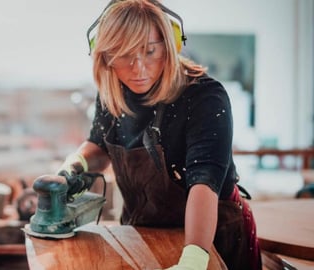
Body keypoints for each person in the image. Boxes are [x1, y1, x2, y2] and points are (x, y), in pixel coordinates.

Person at [57, 0, 261, 269]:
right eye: (124, 54)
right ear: (105, 56)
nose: (138, 68)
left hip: (212, 240)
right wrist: (73, 166)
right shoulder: (113, 94)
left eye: (150, 51)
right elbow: (98, 145)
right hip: (142, 234)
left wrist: (195, 259)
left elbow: (204, 183)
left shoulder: (205, 97)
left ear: (170, 45)